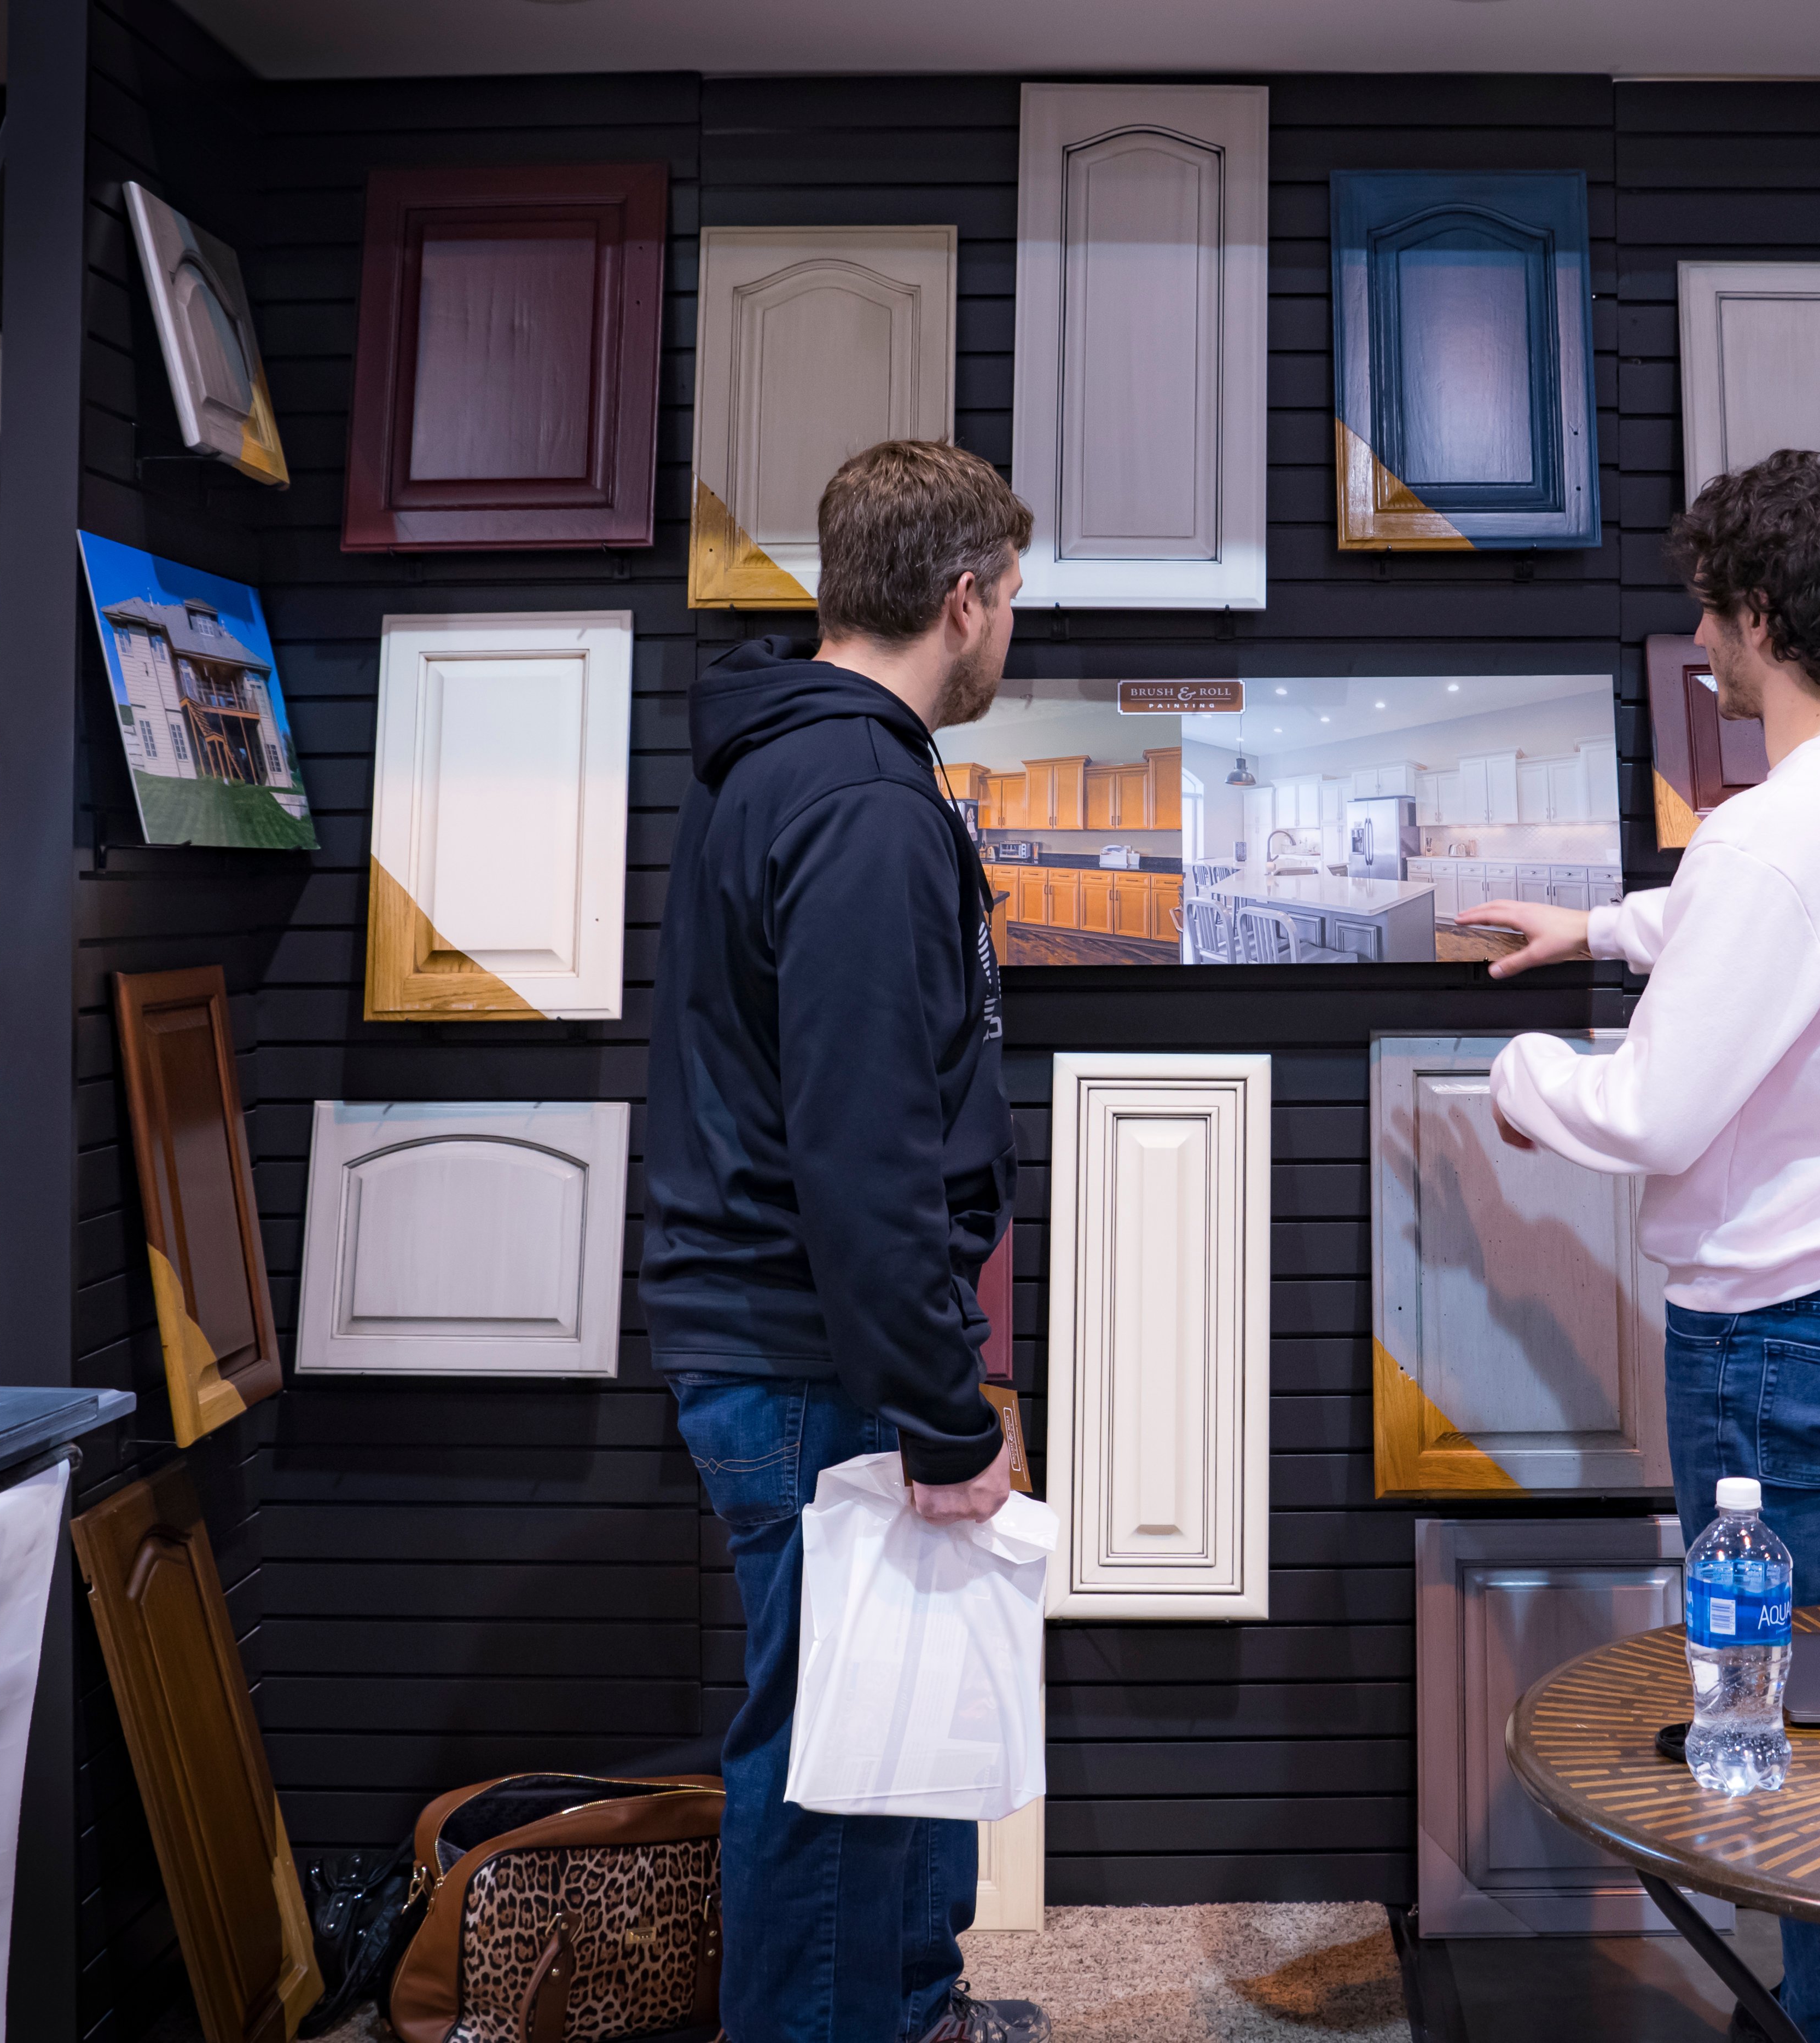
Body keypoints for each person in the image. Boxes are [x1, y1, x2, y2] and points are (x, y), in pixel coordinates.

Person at [1459, 449, 1820, 2043]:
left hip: (1768, 1344)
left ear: (1763, 615)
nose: (1699, 639)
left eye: (1711, 608)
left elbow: (1656, 1109)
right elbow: (1780, 922)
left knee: (1778, 1725)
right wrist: (1607, 925)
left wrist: (1521, 1080)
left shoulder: (1770, 841)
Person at [642, 439, 1048, 2043]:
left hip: (805, 1340)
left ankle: (909, 2007)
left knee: (888, 1716)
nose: (1010, 626)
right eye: (1010, 596)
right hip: (813, 1354)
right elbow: (863, 1148)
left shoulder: (793, 766)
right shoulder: (862, 803)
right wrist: (943, 1412)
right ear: (963, 600)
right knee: (834, 1751)